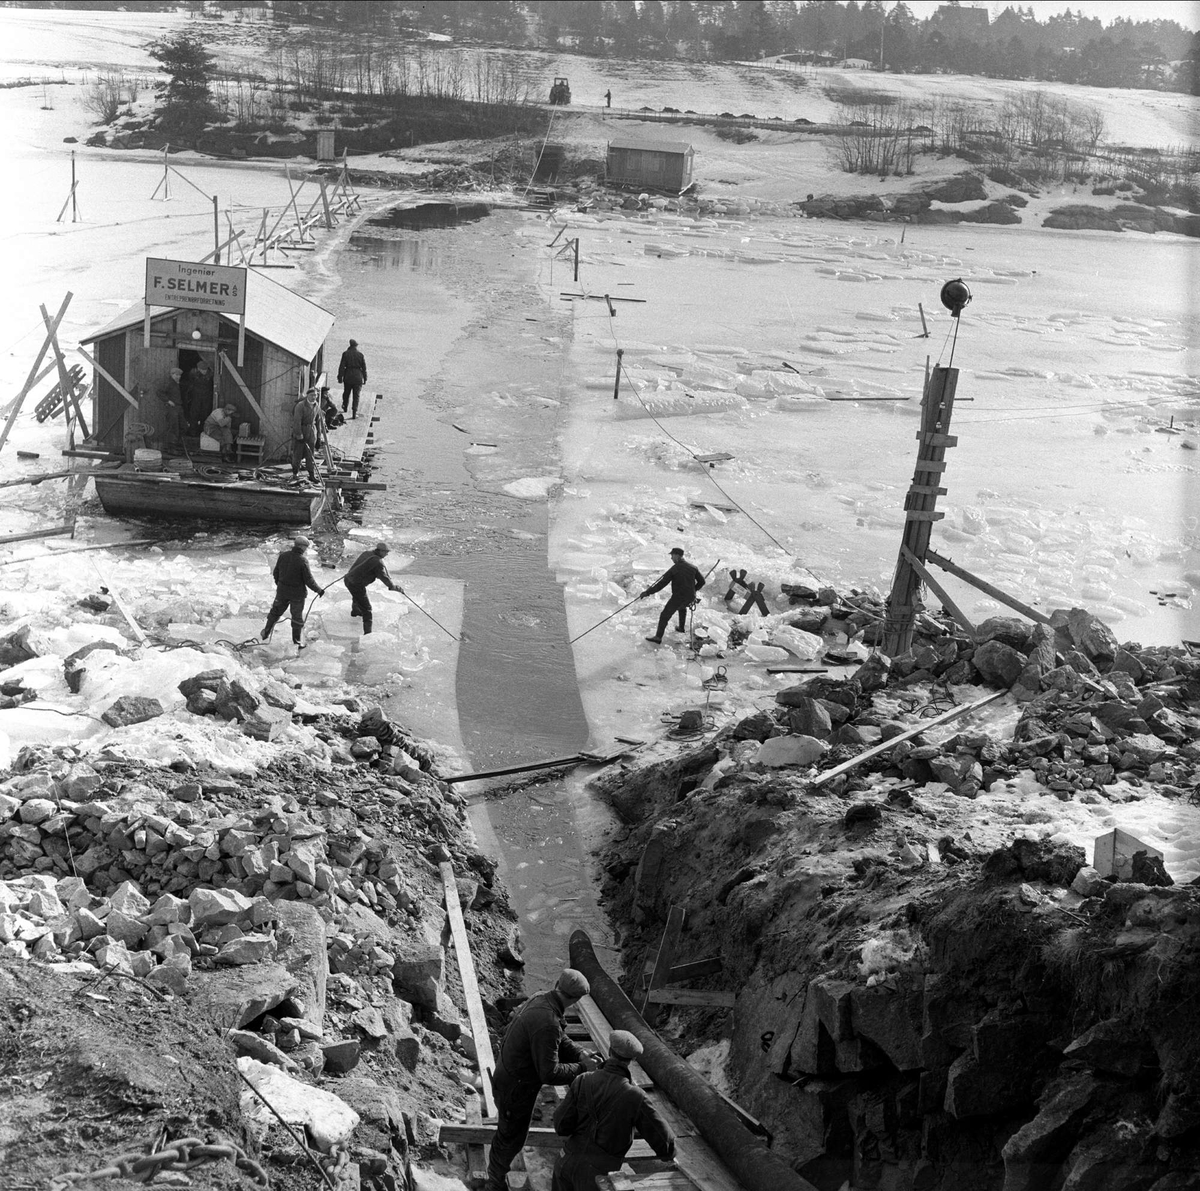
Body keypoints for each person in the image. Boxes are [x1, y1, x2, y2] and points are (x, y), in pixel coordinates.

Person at [483, 970, 598, 1191]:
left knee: (510, 1133)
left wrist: (579, 1053)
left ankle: (495, 1176)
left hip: (509, 1078)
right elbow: (550, 1073)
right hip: (515, 1089)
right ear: (576, 1000)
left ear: (557, 984)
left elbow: (559, 1039)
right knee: (510, 1138)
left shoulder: (542, 998)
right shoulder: (548, 1021)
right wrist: (583, 1067)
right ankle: (494, 1184)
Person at [551, 1031, 675, 1191]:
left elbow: (560, 1125)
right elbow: (663, 1138)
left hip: (565, 1162)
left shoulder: (582, 1080)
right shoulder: (635, 1096)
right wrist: (669, 1154)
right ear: (632, 1060)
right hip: (597, 1176)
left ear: (609, 1051)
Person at [261, 536, 324, 648]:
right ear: (301, 546)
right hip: (297, 595)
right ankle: (297, 642)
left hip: (282, 592)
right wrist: (318, 590)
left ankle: (266, 632)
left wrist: (280, 585)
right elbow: (308, 580)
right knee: (297, 618)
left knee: (275, 612)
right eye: (305, 547)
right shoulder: (302, 561)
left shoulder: (283, 556)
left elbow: (276, 572)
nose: (305, 550)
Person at [639, 547, 706, 644]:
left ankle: (658, 637)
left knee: (664, 615)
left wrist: (647, 592)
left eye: (672, 555)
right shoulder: (693, 567)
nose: (671, 558)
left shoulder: (675, 569)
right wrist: (693, 590)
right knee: (682, 607)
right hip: (690, 597)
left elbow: (661, 584)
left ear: (677, 556)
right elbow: (702, 582)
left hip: (678, 597)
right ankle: (681, 628)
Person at [343, 542, 402, 636]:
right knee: (367, 609)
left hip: (348, 579)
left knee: (357, 596)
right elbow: (384, 576)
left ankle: (355, 611)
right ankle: (367, 634)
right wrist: (392, 587)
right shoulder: (377, 562)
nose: (387, 554)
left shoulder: (367, 553)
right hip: (356, 584)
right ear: (381, 551)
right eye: (386, 552)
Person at [291, 388, 321, 485]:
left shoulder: (316, 406)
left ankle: (311, 474)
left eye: (315, 395)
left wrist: (319, 437)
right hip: (301, 429)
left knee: (310, 454)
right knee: (298, 453)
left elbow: (318, 421)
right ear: (307, 396)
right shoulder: (300, 406)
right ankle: (295, 473)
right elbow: (297, 421)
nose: (314, 397)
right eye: (312, 395)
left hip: (311, 431)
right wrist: (299, 434)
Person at [156, 368, 186, 453]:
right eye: (176, 375)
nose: (178, 377)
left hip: (179, 407)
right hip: (172, 408)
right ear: (172, 375)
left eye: (179, 375)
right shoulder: (169, 383)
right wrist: (168, 401)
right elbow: (159, 392)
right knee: (173, 427)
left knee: (183, 426)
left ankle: (176, 443)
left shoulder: (177, 384)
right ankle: (171, 448)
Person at [337, 338, 368, 419]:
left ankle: (345, 406)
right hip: (358, 377)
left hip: (348, 376)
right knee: (356, 395)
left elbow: (341, 366)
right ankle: (354, 412)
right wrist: (365, 378)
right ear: (356, 346)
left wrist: (340, 377)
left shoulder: (345, 354)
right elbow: (364, 368)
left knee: (346, 392)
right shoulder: (360, 355)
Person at [183, 360, 213, 434]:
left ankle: (202, 430)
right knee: (194, 414)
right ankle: (193, 431)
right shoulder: (193, 373)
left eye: (205, 370)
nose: (204, 371)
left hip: (206, 397)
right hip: (195, 397)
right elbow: (190, 382)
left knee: (205, 414)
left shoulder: (210, 374)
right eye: (202, 370)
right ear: (198, 369)